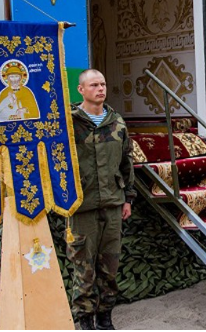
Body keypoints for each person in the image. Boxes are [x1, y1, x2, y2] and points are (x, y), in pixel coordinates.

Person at [69, 69, 135, 330]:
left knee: (110, 265)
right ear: (81, 89)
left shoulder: (116, 122)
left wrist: (128, 198)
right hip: (81, 206)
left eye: (103, 84)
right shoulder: (69, 123)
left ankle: (105, 317)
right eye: (94, 85)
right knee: (83, 265)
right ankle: (85, 319)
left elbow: (126, 162)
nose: (100, 89)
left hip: (112, 203)